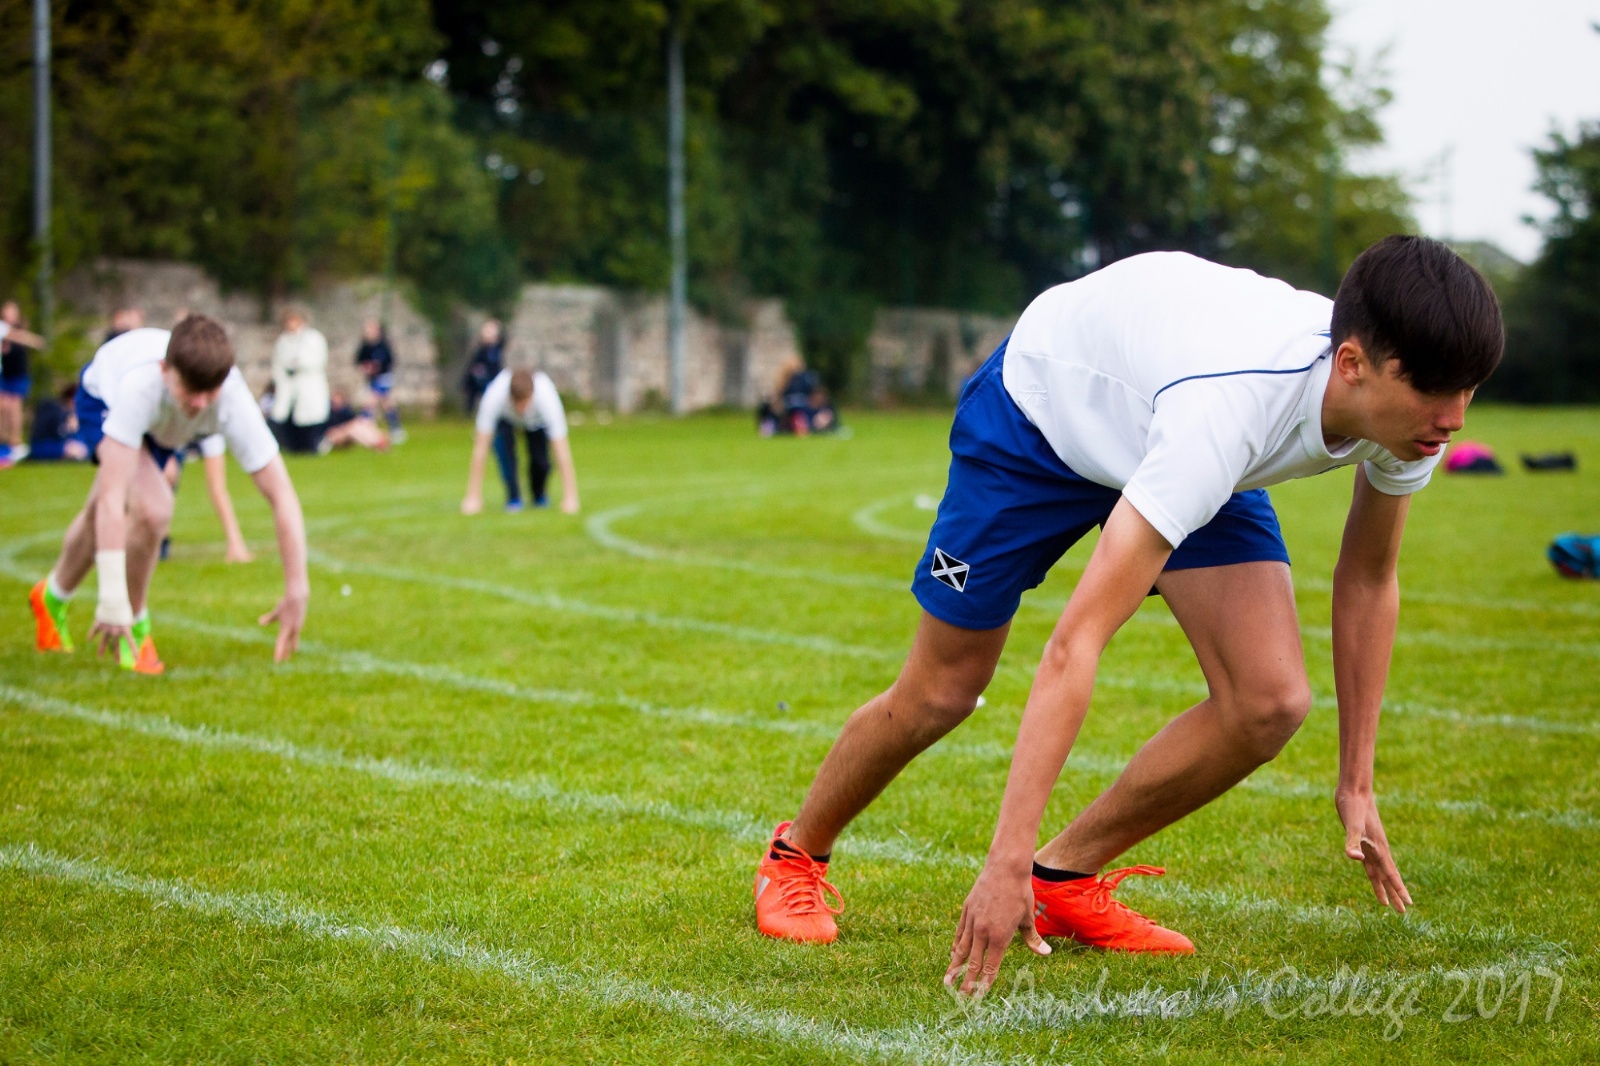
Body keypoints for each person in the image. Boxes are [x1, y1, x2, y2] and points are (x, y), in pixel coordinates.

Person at [751, 238, 1504, 991]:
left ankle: (1062, 877)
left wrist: (1357, 781)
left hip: (1164, 418)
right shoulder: (1229, 410)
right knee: (942, 690)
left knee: (1269, 701)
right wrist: (1001, 860)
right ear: (1353, 364)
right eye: (1436, 389)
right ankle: (795, 854)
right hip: (1042, 414)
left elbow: (1369, 577)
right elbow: (1075, 643)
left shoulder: (1410, 422)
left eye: (1469, 389)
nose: (1455, 418)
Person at [27, 315, 309, 673]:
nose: (200, 403)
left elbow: (282, 495)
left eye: (210, 392)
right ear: (165, 370)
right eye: (191, 390)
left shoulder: (232, 398)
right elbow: (114, 500)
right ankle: (135, 624)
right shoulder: (139, 388)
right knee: (153, 508)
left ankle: (52, 596)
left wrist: (297, 589)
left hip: (162, 425)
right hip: (102, 399)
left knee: (106, 506)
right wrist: (112, 601)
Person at [460, 367, 578, 514]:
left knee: (541, 463)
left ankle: (539, 496)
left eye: (525, 402)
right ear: (510, 397)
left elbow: (561, 448)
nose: (522, 409)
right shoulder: (494, 396)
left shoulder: (547, 397)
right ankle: (514, 498)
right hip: (506, 421)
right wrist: (473, 497)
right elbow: (481, 447)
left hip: (536, 423)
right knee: (506, 460)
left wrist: (570, 497)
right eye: (518, 403)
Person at [269, 308, 331, 454]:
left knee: (310, 419)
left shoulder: (313, 338)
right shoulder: (283, 340)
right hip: (289, 385)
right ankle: (293, 447)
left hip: (309, 384)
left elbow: (318, 360)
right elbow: (278, 363)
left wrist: (300, 363)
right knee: (286, 417)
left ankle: (311, 446)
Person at [0, 301, 46, 462]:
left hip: (18, 373)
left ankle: (16, 443)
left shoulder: (20, 328)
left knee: (15, 406)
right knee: (3, 406)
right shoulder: (3, 328)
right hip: (4, 373)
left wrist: (28, 339)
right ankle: (4, 442)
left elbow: (34, 341)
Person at [355, 317, 406, 443]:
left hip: (384, 378)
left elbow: (389, 361)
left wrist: (377, 367)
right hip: (371, 379)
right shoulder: (365, 346)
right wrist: (366, 368)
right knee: (386, 404)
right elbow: (358, 361)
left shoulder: (383, 345)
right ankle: (394, 428)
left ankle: (365, 427)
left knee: (371, 401)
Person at [26, 383, 89, 462]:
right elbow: (57, 433)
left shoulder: (67, 413)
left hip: (54, 446)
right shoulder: (52, 409)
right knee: (76, 449)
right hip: (42, 447)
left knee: (81, 448)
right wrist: (69, 427)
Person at [322, 390, 390, 451]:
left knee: (361, 424)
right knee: (354, 428)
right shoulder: (329, 413)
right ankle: (377, 441)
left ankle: (377, 440)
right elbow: (329, 429)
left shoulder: (344, 411)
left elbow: (354, 419)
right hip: (335, 435)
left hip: (346, 432)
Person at [462, 319, 504, 412]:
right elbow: (475, 362)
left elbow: (503, 340)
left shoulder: (497, 347)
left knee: (490, 396)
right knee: (473, 392)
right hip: (479, 376)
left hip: (492, 377)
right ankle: (469, 412)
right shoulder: (481, 348)